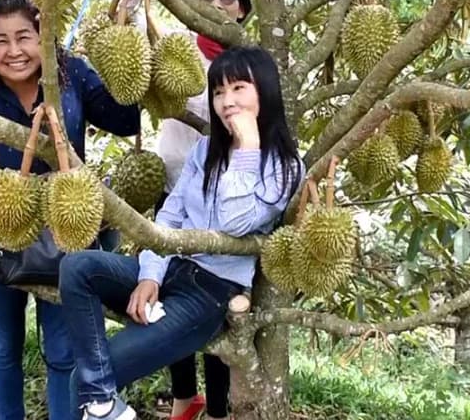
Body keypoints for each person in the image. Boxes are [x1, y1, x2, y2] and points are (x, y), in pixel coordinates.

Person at [60, 46, 304, 420]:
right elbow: (169, 217)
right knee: (78, 267)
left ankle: (99, 400)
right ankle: (104, 404)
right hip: (171, 268)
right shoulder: (205, 149)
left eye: (239, 88)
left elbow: (234, 223)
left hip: (210, 293)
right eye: (219, 92)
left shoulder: (284, 167)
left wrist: (248, 149)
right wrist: (150, 275)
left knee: (85, 379)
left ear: (265, 92)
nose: (226, 101)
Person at [0, 0, 140, 420]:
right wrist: (22, 188)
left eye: (25, 37)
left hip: (64, 242)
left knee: (63, 349)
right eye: (1, 41)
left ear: (44, 38)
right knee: (2, 347)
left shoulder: (69, 74)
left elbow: (126, 119)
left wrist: (126, 35)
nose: (14, 51)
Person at [152, 0, 253, 420]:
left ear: (243, 10)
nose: (215, 4)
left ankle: (217, 410)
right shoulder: (174, 50)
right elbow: (138, 71)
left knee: (217, 306)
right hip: (172, 189)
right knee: (171, 296)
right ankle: (182, 399)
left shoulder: (252, 68)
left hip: (226, 202)